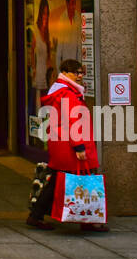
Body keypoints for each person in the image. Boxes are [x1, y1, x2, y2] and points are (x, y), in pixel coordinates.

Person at [26, 58, 108, 233]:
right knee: (82, 180)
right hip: (70, 145)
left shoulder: (62, 91)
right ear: (66, 72)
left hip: (62, 144)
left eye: (81, 72)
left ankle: (37, 215)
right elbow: (72, 121)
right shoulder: (68, 94)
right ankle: (86, 219)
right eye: (76, 72)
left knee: (57, 180)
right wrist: (79, 147)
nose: (80, 76)